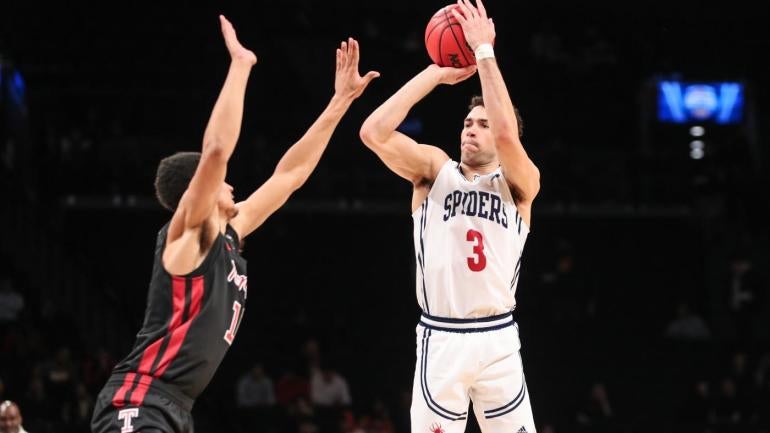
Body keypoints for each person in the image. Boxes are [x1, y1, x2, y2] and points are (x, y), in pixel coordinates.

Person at [91, 15, 379, 433]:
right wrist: (241, 65)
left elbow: (289, 175)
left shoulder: (229, 233)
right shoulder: (188, 239)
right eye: (219, 181)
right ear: (199, 190)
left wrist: (340, 102)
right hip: (140, 400)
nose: (230, 183)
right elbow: (216, 150)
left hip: (175, 407)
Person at [359, 1, 540, 432]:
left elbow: (504, 133)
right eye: (466, 121)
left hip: (498, 338)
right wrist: (436, 73)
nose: (470, 129)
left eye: (481, 123)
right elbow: (372, 132)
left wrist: (484, 52)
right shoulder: (433, 171)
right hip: (442, 335)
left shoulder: (520, 184)